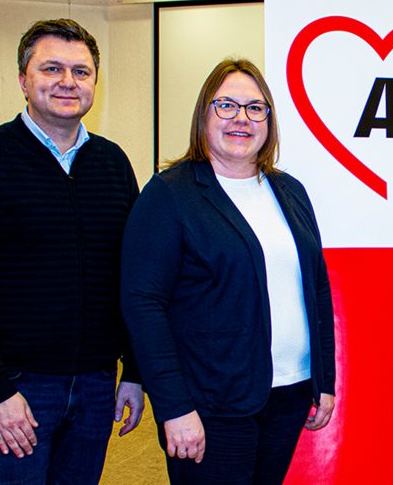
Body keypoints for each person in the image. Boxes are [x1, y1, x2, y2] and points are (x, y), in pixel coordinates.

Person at [120, 58, 336, 484]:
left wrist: (324, 379)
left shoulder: (289, 190)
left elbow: (317, 288)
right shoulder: (169, 194)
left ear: (269, 121)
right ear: (205, 114)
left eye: (256, 108)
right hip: (209, 403)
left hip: (288, 394)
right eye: (227, 106)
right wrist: (174, 406)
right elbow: (143, 304)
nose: (242, 118)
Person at [0, 18, 144, 484]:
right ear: (23, 79)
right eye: (52, 69)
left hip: (96, 386)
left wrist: (135, 371)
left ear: (95, 84)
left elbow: (136, 276)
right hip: (17, 390)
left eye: (81, 72)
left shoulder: (113, 162)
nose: (68, 82)